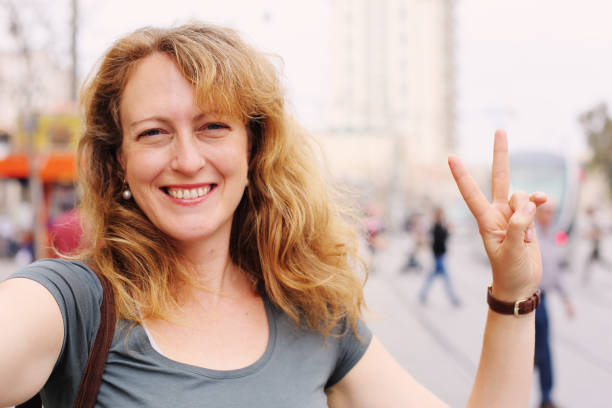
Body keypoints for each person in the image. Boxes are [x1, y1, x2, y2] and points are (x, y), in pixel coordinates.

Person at [0, 23, 547, 407]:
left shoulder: (311, 317)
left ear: (253, 148)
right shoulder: (75, 305)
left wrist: (513, 292)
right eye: (153, 132)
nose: (187, 160)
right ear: (120, 160)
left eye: (213, 126)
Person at [534, 201, 575, 408]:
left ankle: (546, 395)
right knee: (540, 351)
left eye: (552, 212)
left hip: (544, 299)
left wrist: (566, 299)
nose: (550, 216)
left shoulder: (550, 237)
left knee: (541, 350)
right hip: (532, 300)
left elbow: (555, 272)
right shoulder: (531, 237)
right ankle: (544, 396)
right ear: (538, 213)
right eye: (546, 212)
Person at [418, 207, 460, 306]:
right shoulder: (436, 226)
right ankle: (453, 297)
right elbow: (439, 239)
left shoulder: (439, 225)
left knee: (432, 277)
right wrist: (448, 231)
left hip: (439, 255)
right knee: (446, 278)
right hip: (438, 256)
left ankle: (423, 294)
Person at [582, 206, 610, 284]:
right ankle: (585, 276)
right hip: (593, 247)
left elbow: (600, 232)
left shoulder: (596, 220)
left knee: (600, 261)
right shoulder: (590, 220)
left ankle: (585, 275)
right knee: (590, 261)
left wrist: (594, 234)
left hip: (596, 247)